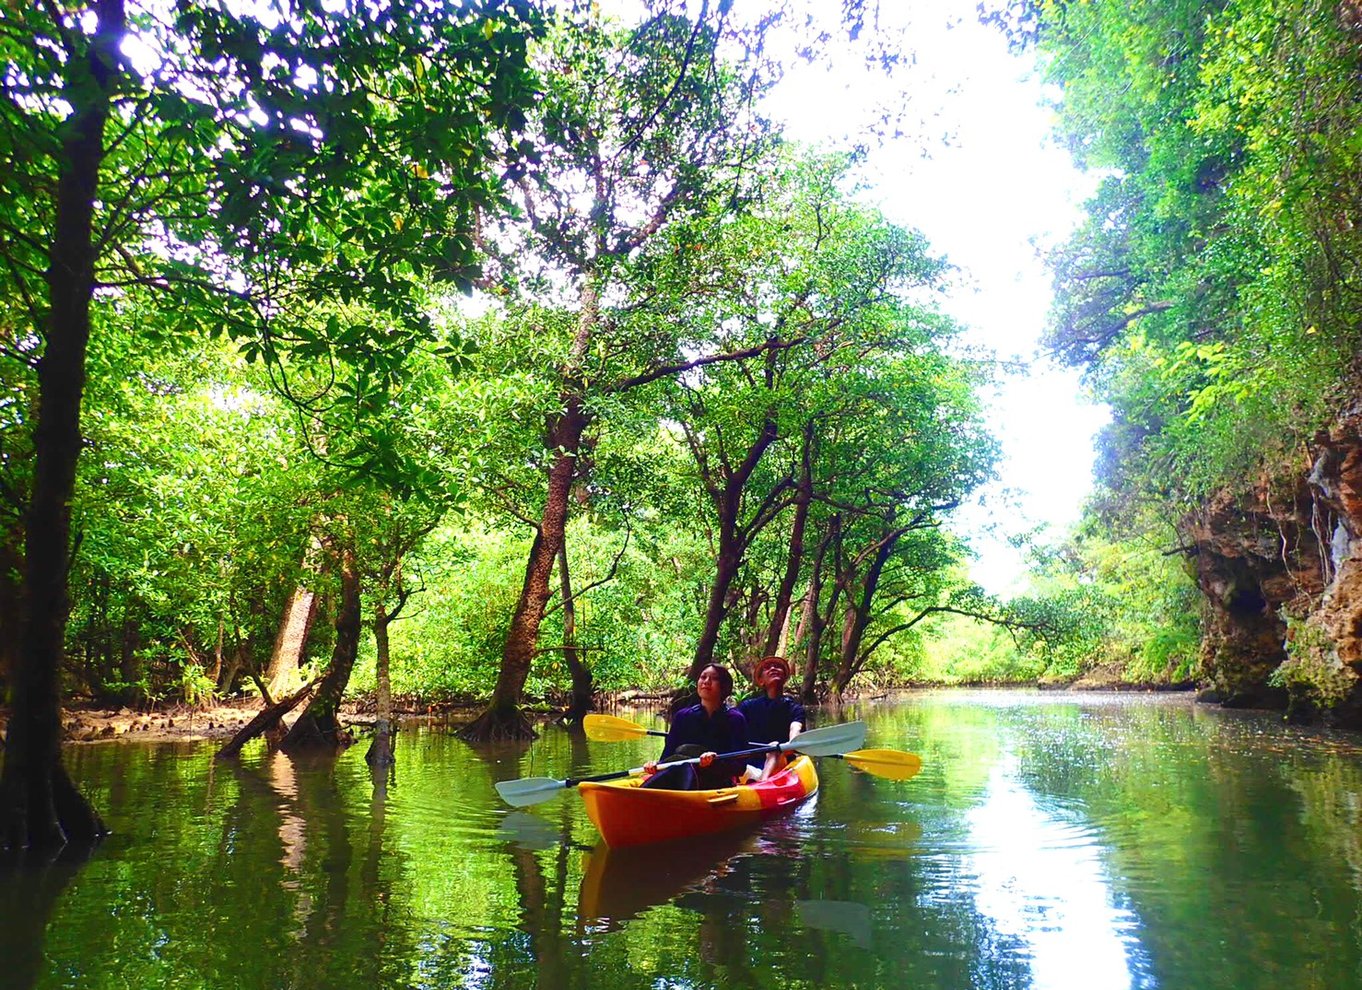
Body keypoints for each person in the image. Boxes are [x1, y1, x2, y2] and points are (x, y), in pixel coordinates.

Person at [641, 664, 749, 790]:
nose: (706, 682)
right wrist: (655, 765)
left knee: (686, 767)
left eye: (714, 678)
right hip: (681, 775)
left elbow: (740, 767)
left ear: (724, 686)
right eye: (703, 677)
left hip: (716, 781)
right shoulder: (683, 716)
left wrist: (715, 762)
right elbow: (667, 758)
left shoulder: (735, 719)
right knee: (683, 765)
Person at [737, 655, 806, 781]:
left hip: (780, 765)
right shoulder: (747, 706)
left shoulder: (794, 708)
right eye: (767, 668)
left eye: (778, 667)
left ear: (784, 678)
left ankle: (762, 784)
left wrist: (791, 745)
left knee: (773, 747)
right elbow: (733, 731)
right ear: (761, 681)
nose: (773, 668)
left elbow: (795, 729)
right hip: (750, 766)